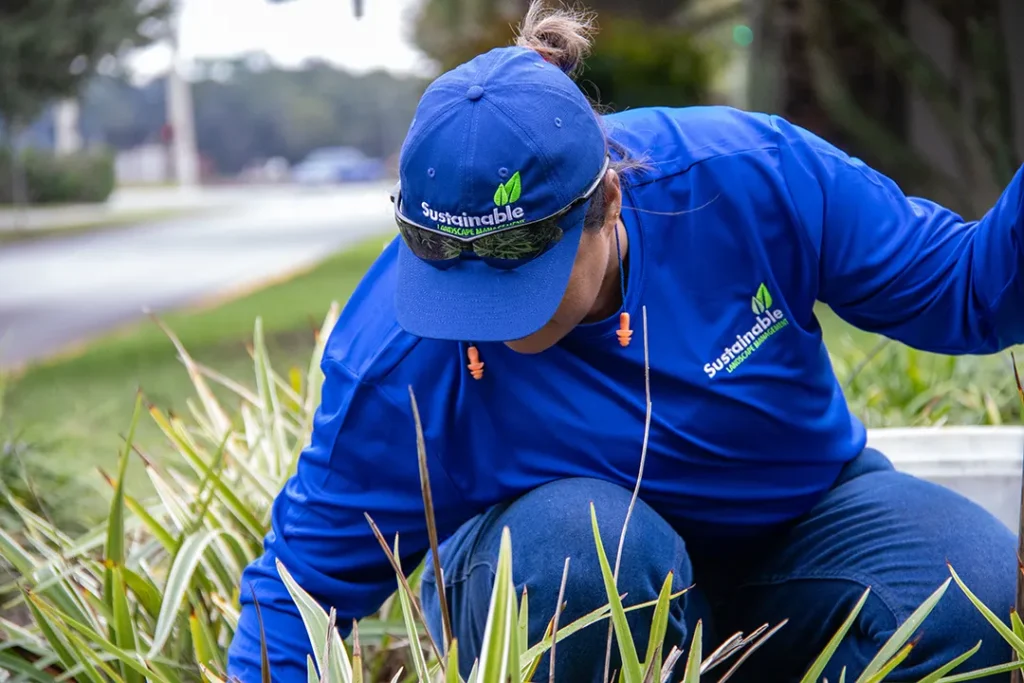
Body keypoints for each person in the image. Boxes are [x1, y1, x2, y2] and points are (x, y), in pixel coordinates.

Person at [226, 3, 1024, 681]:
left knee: (973, 587)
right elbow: (301, 589)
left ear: (607, 200)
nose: (482, 317)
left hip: (799, 532)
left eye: (517, 270)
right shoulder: (398, 349)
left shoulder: (753, 176)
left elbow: (969, 295)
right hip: (560, 570)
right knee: (587, 551)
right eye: (449, 271)